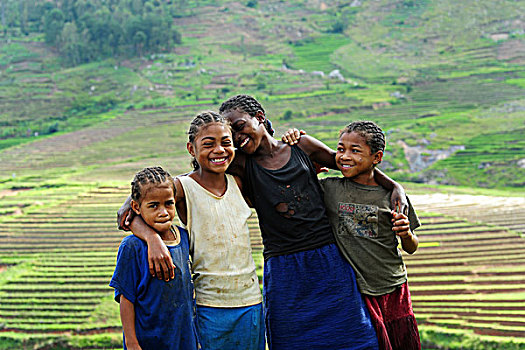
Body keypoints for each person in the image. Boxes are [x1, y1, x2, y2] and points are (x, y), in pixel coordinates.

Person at [217, 94, 409, 350]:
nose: (237, 137)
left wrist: (394, 185)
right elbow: (201, 169)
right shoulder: (240, 164)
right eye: (231, 133)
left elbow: (349, 165)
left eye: (239, 126)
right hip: (284, 269)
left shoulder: (301, 146)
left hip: (329, 262)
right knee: (289, 342)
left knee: (355, 340)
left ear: (259, 117)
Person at [117, 112, 264, 350]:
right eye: (208, 144)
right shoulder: (183, 187)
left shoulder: (239, 183)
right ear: (191, 149)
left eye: (226, 143)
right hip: (210, 305)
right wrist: (153, 239)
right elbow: (135, 210)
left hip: (251, 301)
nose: (219, 150)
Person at [319, 121, 421, 350]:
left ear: (377, 157)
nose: (344, 156)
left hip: (392, 286)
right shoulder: (330, 189)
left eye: (355, 151)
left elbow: (412, 247)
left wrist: (405, 233)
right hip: (356, 291)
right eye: (340, 149)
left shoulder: (392, 198)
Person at [110, 166, 199, 350]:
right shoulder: (132, 247)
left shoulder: (183, 237)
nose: (163, 212)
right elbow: (126, 298)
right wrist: (132, 343)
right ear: (136, 207)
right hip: (149, 340)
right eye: (153, 206)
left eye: (168, 203)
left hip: (183, 338)